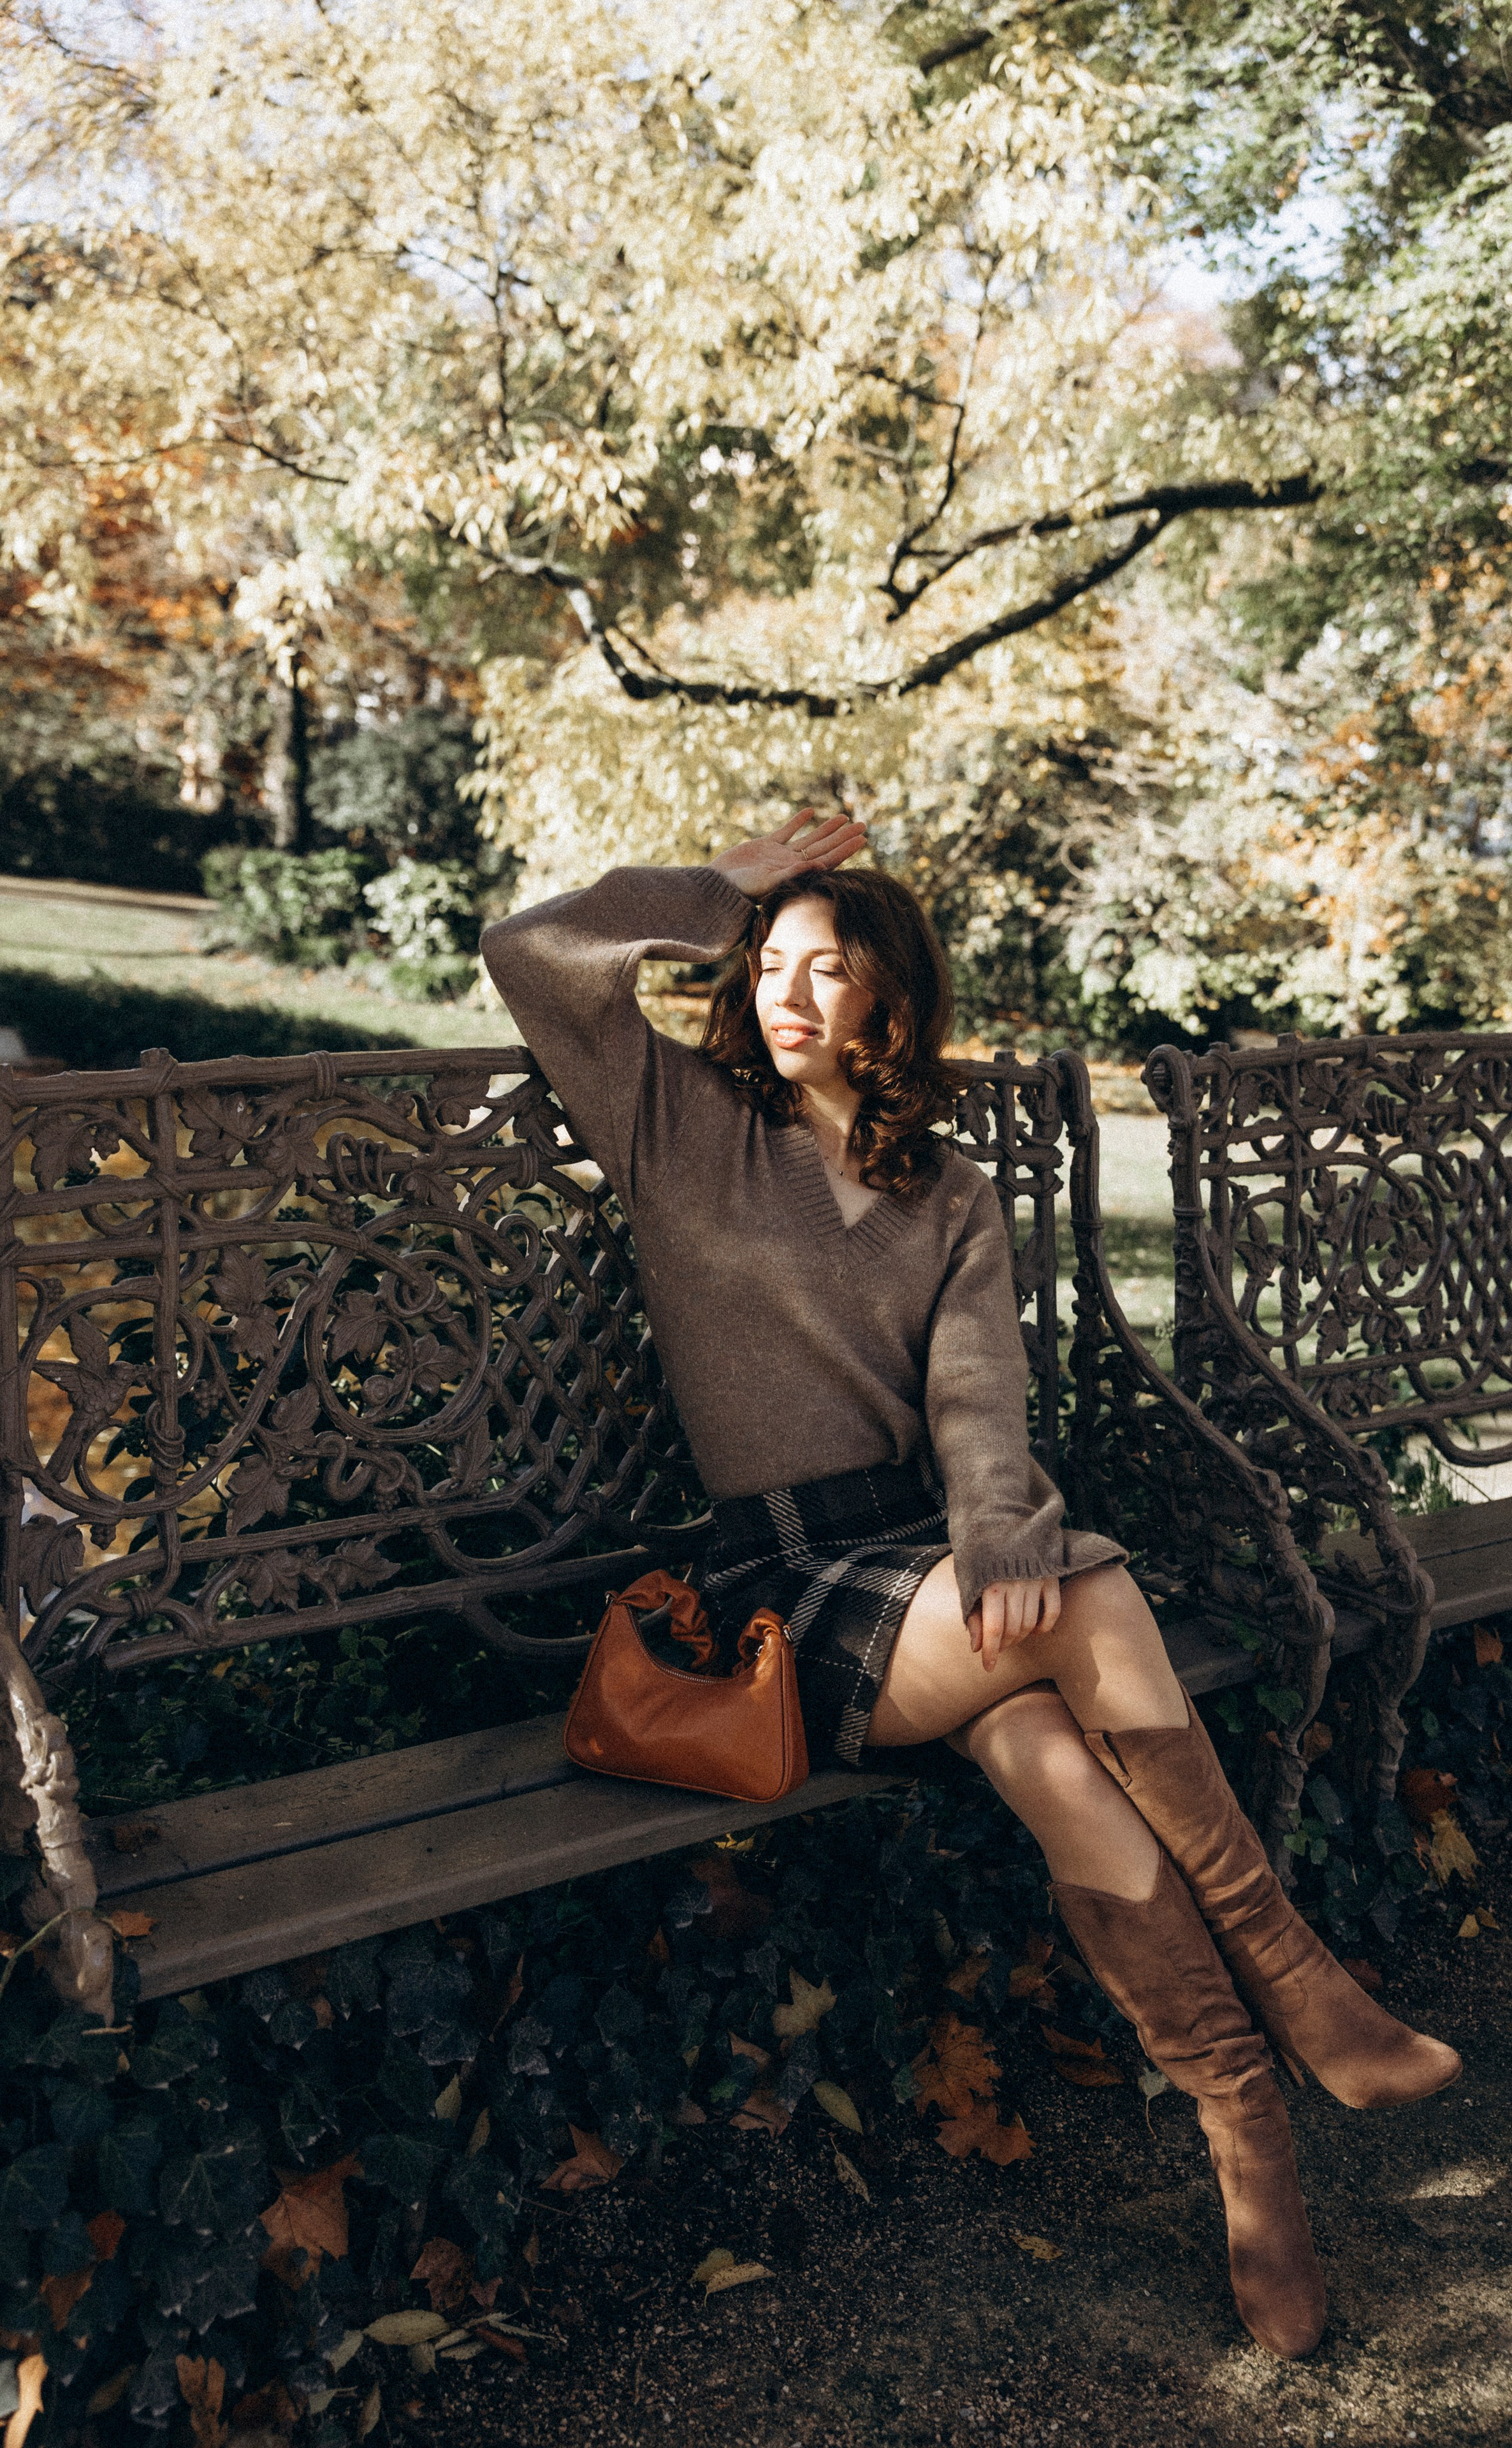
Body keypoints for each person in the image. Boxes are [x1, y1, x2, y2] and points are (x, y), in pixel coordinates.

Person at [481, 813, 1462, 2361]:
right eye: (769, 964)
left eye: (827, 969)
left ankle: (1247, 2129)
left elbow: (977, 1399)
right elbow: (529, 953)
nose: (788, 991)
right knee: (1089, 1601)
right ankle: (1295, 1977)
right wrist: (727, 885)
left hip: (931, 1571)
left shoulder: (944, 1195)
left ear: (889, 1001)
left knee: (1058, 1762)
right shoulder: (674, 1120)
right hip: (782, 1589)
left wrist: (998, 1529)